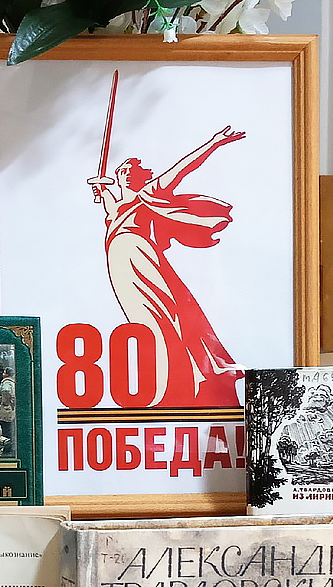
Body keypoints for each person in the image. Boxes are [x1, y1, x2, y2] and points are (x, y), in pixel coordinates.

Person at [88, 126, 246, 407]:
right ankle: (165, 383)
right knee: (142, 321)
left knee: (162, 317)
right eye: (123, 169)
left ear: (141, 177)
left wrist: (213, 143)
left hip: (141, 258)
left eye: (132, 170)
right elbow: (111, 205)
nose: (126, 172)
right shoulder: (116, 207)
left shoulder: (150, 193)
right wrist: (101, 188)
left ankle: (181, 382)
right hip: (121, 265)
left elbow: (182, 168)